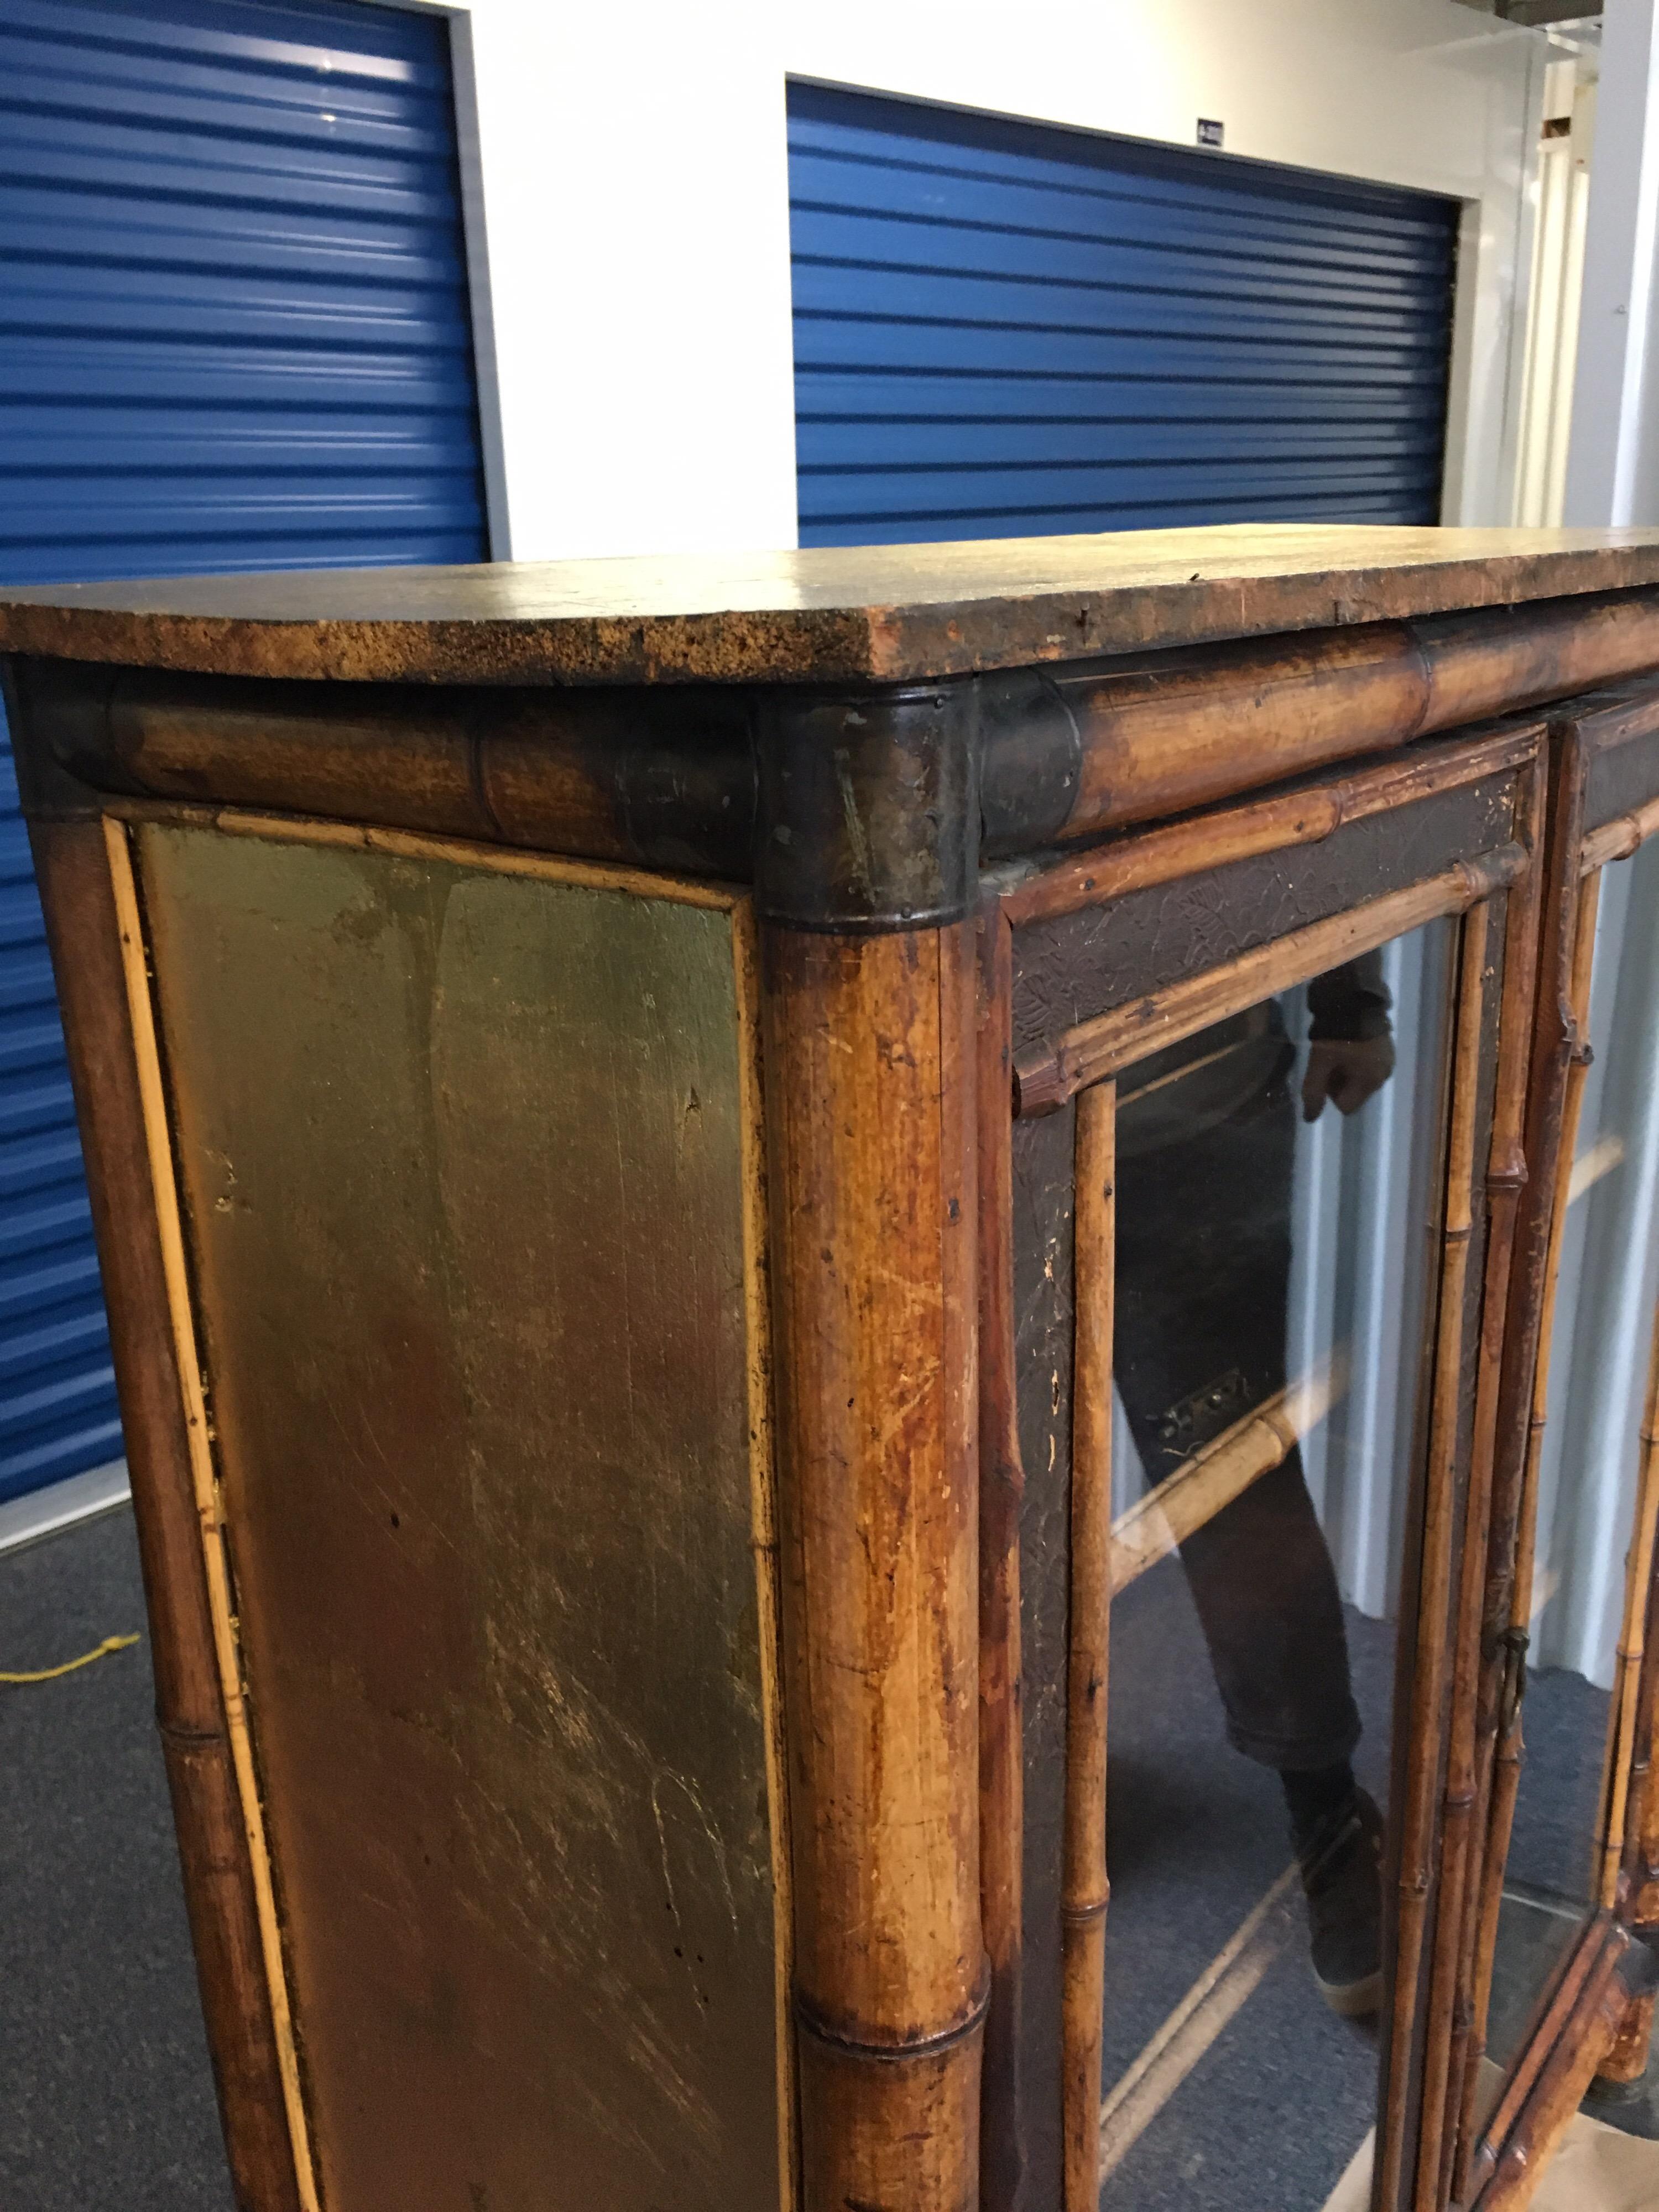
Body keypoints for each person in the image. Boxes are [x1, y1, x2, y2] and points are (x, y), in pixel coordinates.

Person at [1113, 955, 1395, 2016]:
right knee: (958, 1498)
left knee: (1235, 1487)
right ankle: (1013, 1793)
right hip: (938, 1100)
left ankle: (1326, 1813)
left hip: (1184, 1094)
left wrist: (1349, 1000)